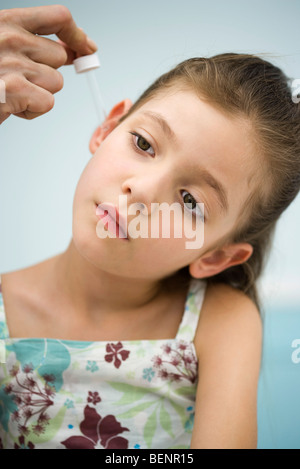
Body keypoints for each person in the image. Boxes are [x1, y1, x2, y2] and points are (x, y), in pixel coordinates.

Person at [0, 5, 299, 450]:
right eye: (143, 143)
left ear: (214, 255)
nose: (141, 191)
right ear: (107, 127)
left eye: (191, 201)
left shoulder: (218, 323)